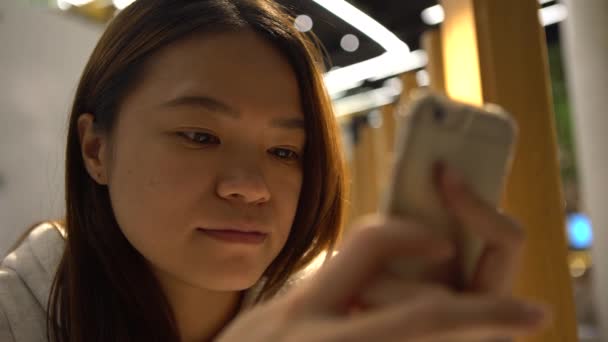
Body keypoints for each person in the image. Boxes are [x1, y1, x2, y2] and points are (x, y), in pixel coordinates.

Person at [0, 0, 550, 341]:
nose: (250, 186)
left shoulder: (341, 319)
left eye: (286, 152)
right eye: (200, 136)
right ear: (96, 150)